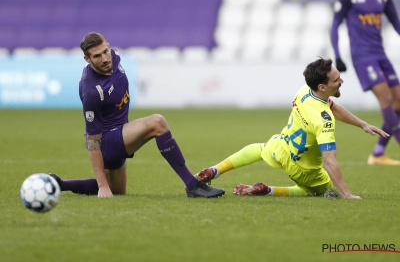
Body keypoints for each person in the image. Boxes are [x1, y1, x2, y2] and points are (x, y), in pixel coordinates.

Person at [50, 32, 225, 198]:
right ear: (87, 59)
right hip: (106, 142)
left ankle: (61, 185)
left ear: (109, 47)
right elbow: (93, 139)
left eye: (105, 52)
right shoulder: (92, 91)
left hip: (120, 132)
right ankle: (193, 185)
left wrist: (105, 186)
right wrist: (102, 185)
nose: (104, 59)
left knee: (117, 190)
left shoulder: (115, 57)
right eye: (97, 56)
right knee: (157, 123)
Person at [194, 58, 389, 199]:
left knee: (261, 149)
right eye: (337, 79)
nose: (342, 81)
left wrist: (363, 124)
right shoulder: (324, 121)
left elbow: (334, 106)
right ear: (322, 87)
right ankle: (269, 190)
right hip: (303, 169)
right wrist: (347, 194)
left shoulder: (304, 90)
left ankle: (215, 170)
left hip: (282, 146)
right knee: (324, 191)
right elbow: (330, 162)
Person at [330, 0, 400, 165]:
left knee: (398, 102)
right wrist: (337, 55)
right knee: (386, 99)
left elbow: (396, 23)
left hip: (380, 54)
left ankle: (377, 154)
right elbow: (335, 24)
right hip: (362, 57)